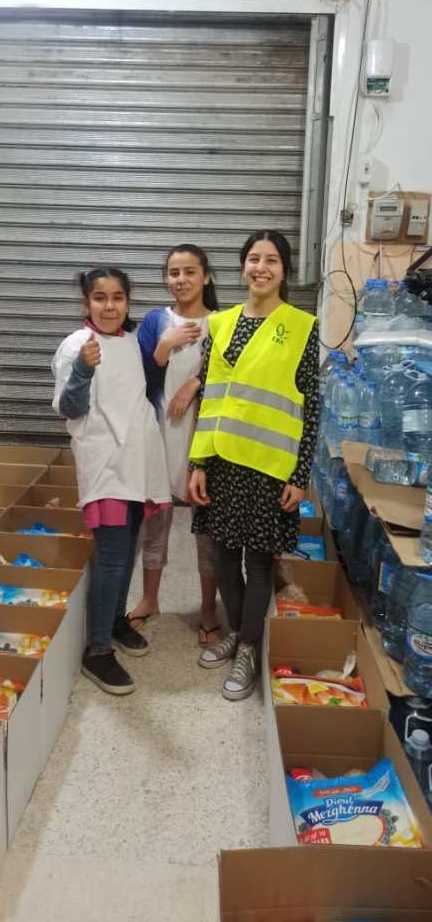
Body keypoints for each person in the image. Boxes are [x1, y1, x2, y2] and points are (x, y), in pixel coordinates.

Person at [189, 230, 319, 701]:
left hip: (269, 465)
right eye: (253, 259)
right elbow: (211, 397)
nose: (260, 268)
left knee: (259, 562)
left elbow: (311, 404)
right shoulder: (220, 323)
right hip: (222, 460)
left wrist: (300, 476)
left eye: (271, 260)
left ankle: (248, 646)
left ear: (284, 271)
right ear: (242, 266)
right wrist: (198, 462)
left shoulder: (301, 326)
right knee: (223, 557)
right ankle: (240, 632)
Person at [52, 267, 171, 696]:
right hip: (106, 467)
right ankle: (98, 650)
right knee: (113, 557)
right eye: (100, 298)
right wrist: (83, 371)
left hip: (137, 464)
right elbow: (69, 408)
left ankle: (116, 620)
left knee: (129, 548)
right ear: (86, 302)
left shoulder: (129, 343)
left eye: (117, 297)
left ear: (127, 302)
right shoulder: (76, 345)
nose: (109, 306)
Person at [131, 244, 220, 647]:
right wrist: (163, 347)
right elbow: (139, 381)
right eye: (173, 272)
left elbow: (232, 378)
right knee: (155, 521)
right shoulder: (156, 321)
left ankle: (207, 608)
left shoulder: (222, 323)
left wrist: (196, 383)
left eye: (189, 271)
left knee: (206, 528)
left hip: (203, 440)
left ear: (206, 276)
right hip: (159, 434)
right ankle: (150, 599)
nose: (180, 280)